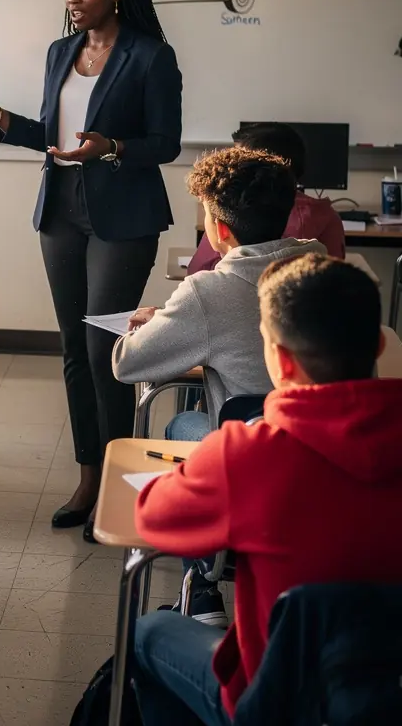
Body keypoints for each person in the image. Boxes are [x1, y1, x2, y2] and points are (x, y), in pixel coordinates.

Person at [0, 0, 182, 538]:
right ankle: (90, 474)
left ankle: (123, 483)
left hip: (122, 214)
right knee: (73, 348)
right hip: (62, 209)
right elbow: (50, 134)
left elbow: (165, 144)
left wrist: (112, 147)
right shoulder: (60, 52)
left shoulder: (151, 56)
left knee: (105, 351)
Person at [132, 253, 402, 726]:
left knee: (150, 632)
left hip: (274, 702)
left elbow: (152, 516)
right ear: (379, 345)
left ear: (277, 358)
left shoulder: (249, 454)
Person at [114, 145, 325, 626]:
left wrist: (151, 323)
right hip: (323, 454)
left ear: (220, 228)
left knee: (184, 425)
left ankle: (202, 586)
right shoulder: (323, 269)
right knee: (197, 418)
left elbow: (129, 364)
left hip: (253, 463)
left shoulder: (208, 289)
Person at [186, 122, 346, 275]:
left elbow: (198, 269)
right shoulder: (328, 216)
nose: (230, 166)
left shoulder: (234, 210)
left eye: (237, 160)